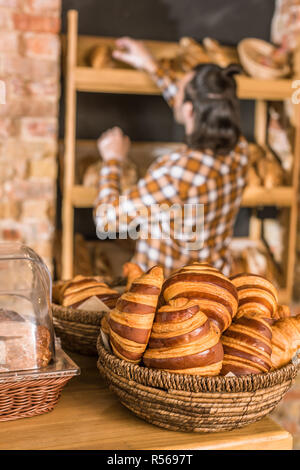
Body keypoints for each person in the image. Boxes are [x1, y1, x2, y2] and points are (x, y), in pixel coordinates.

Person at [94, 38, 249, 277]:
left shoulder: (175, 174)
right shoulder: (239, 148)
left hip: (166, 293)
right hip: (214, 282)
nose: (175, 93)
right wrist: (150, 65)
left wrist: (113, 160)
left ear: (189, 110)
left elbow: (107, 219)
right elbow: (194, 103)